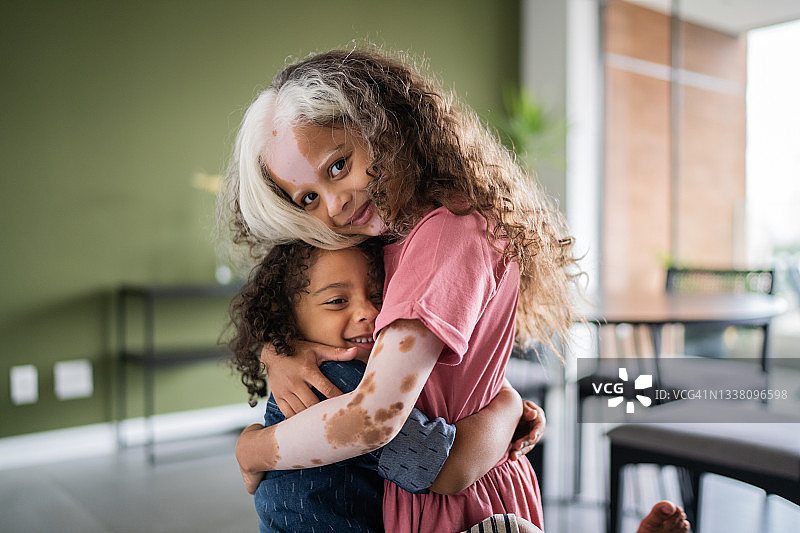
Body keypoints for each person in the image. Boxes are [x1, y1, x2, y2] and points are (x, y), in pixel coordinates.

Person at [219, 47, 580, 532]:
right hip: (436, 482)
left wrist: (253, 449)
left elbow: (375, 418)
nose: (335, 203)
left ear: (381, 125)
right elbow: (439, 373)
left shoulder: (444, 235)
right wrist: (278, 349)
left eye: (338, 165)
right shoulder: (385, 236)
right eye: (308, 197)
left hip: (455, 497)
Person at [228, 240, 544, 532]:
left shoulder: (353, 369)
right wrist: (509, 404)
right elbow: (440, 467)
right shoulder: (336, 380)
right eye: (338, 301)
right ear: (287, 319)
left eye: (379, 296)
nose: (368, 312)